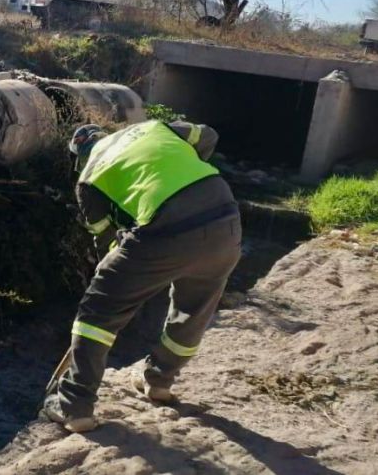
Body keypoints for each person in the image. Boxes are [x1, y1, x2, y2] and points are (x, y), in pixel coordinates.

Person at [43, 119, 242, 433]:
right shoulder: (156, 128)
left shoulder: (88, 178)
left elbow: (106, 244)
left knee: (97, 312)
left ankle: (74, 404)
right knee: (192, 311)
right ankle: (159, 381)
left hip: (165, 231)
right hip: (226, 225)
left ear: (79, 155)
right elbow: (209, 135)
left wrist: (121, 283)